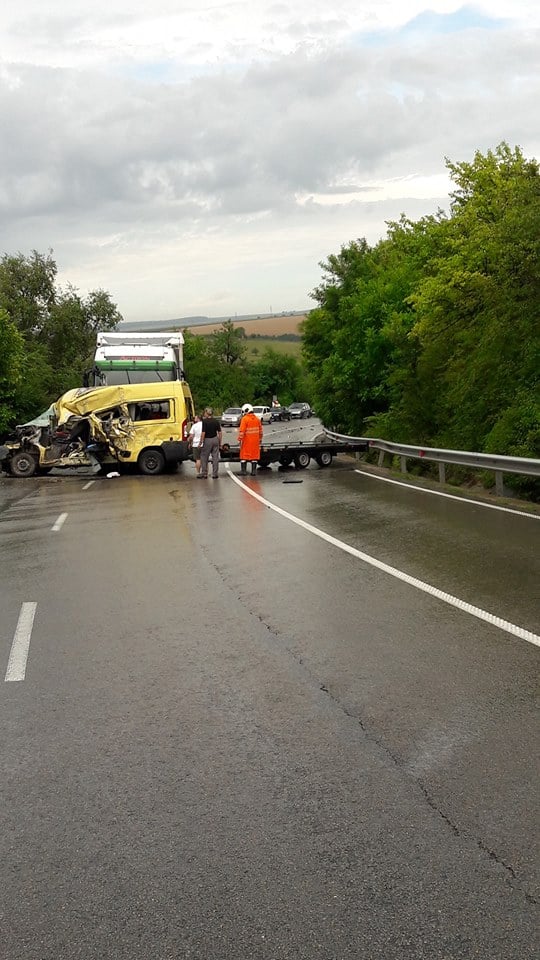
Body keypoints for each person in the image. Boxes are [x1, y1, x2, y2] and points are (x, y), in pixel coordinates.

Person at [237, 403, 263, 475]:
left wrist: (239, 439)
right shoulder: (257, 419)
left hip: (246, 441)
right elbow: (260, 431)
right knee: (254, 456)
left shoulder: (244, 419)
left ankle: (243, 471)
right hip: (255, 441)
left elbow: (242, 431)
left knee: (243, 456)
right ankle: (253, 471)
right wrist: (260, 439)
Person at [199, 407, 222, 478]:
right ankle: (215, 473)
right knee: (215, 457)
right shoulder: (216, 421)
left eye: (205, 413)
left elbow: (203, 432)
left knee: (204, 456)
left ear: (206, 413)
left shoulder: (205, 421)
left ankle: (204, 473)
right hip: (215, 439)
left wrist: (201, 442)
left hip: (207, 440)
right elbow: (220, 432)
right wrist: (220, 442)